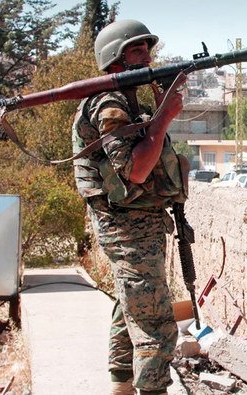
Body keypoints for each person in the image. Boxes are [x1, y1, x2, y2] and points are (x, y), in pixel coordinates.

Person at [71, 20, 186, 395]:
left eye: (147, 49)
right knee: (155, 322)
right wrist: (165, 115)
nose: (148, 57)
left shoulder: (128, 98)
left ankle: (121, 386)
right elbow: (135, 171)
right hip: (126, 226)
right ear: (115, 58)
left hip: (139, 223)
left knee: (131, 304)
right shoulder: (109, 103)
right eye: (137, 50)